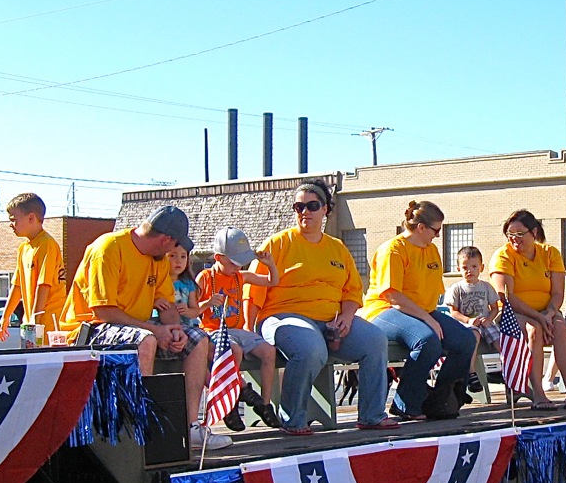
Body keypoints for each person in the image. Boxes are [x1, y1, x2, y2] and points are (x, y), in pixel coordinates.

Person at [61, 206, 224, 450]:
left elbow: (167, 304)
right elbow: (103, 311)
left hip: (137, 326)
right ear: (165, 239)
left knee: (198, 339)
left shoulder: (157, 259)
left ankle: (190, 428)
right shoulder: (108, 249)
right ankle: (140, 430)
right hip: (91, 329)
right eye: (174, 246)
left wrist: (174, 329)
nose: (175, 253)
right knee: (146, 340)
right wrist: (156, 331)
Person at [248, 182, 393, 434]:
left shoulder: (337, 247)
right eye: (299, 206)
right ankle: (292, 420)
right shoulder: (277, 244)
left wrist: (347, 318)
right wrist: (249, 331)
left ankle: (371, 415)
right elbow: (253, 292)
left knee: (376, 340)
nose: (305, 211)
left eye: (312, 206)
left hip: (332, 320)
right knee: (310, 348)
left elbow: (351, 291)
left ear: (325, 209)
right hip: (283, 317)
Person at [361, 200, 475, 421]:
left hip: (420, 312)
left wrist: (432, 317)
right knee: (427, 339)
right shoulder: (392, 250)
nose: (438, 235)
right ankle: (405, 403)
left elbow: (432, 293)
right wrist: (428, 319)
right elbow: (392, 295)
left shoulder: (431, 250)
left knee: (465, 340)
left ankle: (441, 400)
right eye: (436, 230)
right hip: (384, 311)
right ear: (421, 228)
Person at [489, 209, 566, 410]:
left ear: (534, 232)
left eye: (520, 234)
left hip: (546, 311)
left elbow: (557, 292)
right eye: (510, 234)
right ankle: (538, 392)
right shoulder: (503, 255)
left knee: (561, 328)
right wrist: (538, 318)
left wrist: (548, 314)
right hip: (513, 315)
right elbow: (507, 296)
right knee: (534, 331)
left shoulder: (550, 253)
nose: (515, 239)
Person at [195, 227, 281, 429]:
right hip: (214, 331)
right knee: (234, 351)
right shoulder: (205, 278)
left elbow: (272, 281)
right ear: (219, 257)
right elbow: (191, 310)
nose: (237, 267)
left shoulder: (240, 276)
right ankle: (231, 405)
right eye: (234, 263)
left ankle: (265, 404)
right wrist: (207, 302)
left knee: (269, 351)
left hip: (238, 329)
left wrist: (269, 264)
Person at [0, 193, 65, 344]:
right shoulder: (23, 248)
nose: (11, 224)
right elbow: (17, 285)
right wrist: (5, 316)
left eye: (13, 220)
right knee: (31, 365)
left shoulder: (47, 244)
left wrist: (36, 318)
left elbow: (44, 285)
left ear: (31, 218)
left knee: (44, 363)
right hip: (31, 322)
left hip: (48, 322)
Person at [445, 246, 499, 395]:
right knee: (473, 336)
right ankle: (472, 374)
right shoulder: (456, 288)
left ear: (481, 267)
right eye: (465, 267)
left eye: (474, 266)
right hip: (467, 324)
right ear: (458, 269)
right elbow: (453, 312)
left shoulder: (486, 287)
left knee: (500, 340)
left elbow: (495, 307)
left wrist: (489, 319)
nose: (470, 270)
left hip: (485, 321)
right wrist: (468, 320)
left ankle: (507, 370)